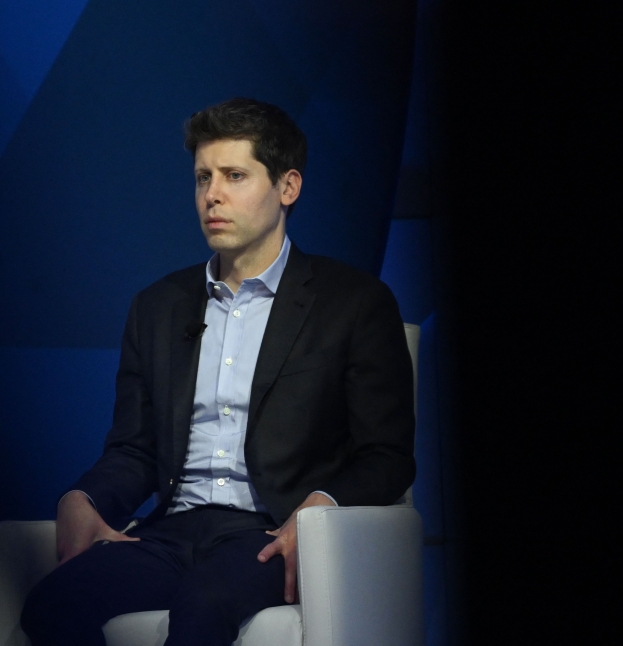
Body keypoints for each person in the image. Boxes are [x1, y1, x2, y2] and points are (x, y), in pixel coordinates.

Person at [20, 97, 416, 646]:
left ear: (288, 187)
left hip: (265, 533)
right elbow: (133, 449)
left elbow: (387, 457)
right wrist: (83, 498)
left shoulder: (354, 303)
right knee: (49, 605)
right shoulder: (156, 307)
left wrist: (319, 511)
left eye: (234, 175)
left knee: (202, 606)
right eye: (203, 177)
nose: (212, 195)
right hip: (172, 531)